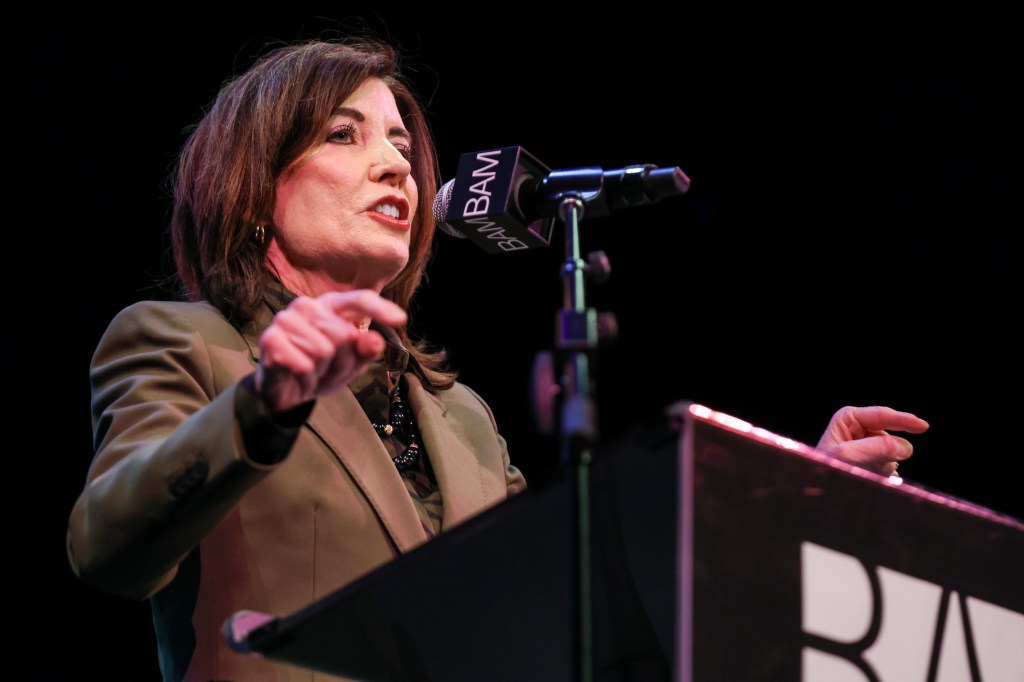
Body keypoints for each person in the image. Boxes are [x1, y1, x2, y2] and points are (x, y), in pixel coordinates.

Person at [65, 36, 929, 681]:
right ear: (254, 189)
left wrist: (790, 498)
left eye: (403, 143)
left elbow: (586, 610)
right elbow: (108, 549)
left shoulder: (462, 415)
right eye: (345, 136)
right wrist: (264, 405)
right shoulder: (181, 342)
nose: (395, 165)